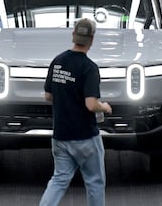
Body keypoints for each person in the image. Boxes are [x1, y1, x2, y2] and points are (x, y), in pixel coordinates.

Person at [40, 18, 112, 206]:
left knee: (59, 180)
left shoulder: (58, 61)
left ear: (73, 35)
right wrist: (104, 106)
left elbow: (48, 95)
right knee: (94, 182)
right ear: (92, 40)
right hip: (85, 138)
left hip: (61, 136)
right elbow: (90, 104)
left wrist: (67, 97)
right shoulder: (89, 68)